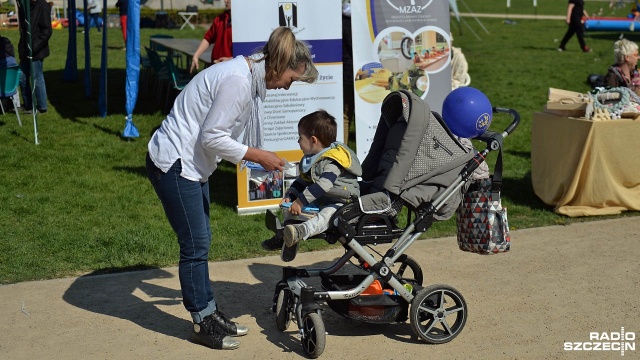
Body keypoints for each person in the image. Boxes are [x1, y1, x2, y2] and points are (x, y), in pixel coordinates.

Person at [145, 26, 317, 350]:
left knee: (202, 240)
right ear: (278, 66)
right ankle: (201, 321)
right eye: (291, 79)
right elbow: (212, 136)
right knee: (195, 244)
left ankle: (208, 312)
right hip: (174, 162)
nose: (287, 87)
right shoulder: (239, 81)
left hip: (192, 165)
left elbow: (214, 134)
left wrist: (259, 158)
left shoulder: (245, 74)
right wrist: (257, 155)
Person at [264, 110, 362, 262]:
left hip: (343, 202)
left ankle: (301, 231)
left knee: (327, 215)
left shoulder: (332, 160)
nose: (298, 141)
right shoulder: (311, 159)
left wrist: (301, 201)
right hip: (324, 197)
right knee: (291, 209)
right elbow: (302, 181)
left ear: (313, 140)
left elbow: (324, 185)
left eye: (300, 137)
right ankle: (286, 235)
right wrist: (291, 197)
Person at [17, 0, 52, 114]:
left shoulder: (42, 6)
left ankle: (42, 107)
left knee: (37, 77)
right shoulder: (25, 5)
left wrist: (33, 47)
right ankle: (28, 105)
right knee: (22, 76)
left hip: (36, 49)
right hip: (25, 49)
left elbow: (46, 31)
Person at [189, 0, 232, 73]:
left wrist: (231, 60)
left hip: (231, 72)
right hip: (215, 69)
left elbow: (249, 53)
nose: (225, 1)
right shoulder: (219, 19)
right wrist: (196, 55)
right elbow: (208, 38)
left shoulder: (245, 23)